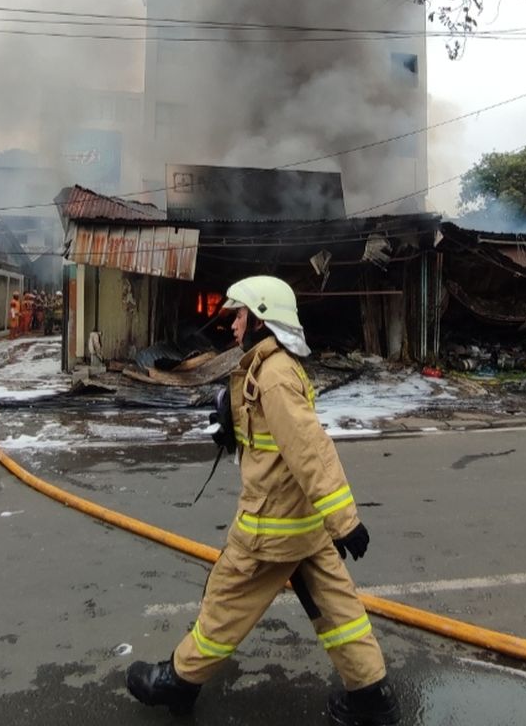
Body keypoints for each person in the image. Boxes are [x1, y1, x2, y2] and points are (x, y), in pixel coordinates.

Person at [126, 275, 399, 725]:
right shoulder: (269, 368)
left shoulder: (272, 376)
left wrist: (346, 521)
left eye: (239, 316)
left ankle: (179, 678)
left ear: (262, 318)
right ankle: (371, 695)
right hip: (302, 525)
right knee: (339, 612)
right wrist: (235, 425)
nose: (233, 325)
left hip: (271, 529)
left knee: (226, 601)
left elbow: (310, 449)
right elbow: (276, 443)